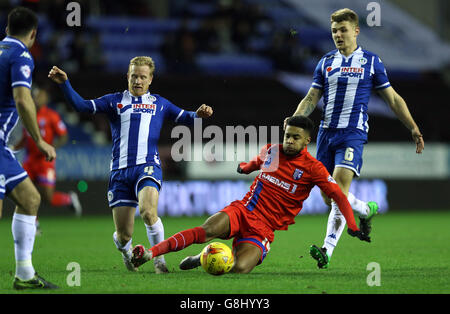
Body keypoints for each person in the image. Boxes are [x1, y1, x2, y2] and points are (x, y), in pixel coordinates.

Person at [131, 116, 370, 274]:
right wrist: (246, 167)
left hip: (263, 229)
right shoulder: (272, 151)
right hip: (244, 210)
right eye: (287, 135)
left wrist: (352, 224)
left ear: (307, 140)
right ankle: (150, 253)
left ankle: (204, 256)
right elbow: (258, 161)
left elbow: (338, 196)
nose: (289, 140)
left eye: (295, 137)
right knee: (206, 230)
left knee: (238, 269)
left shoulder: (313, 168)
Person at [48, 57, 213, 273]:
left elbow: (186, 117)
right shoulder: (113, 101)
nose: (138, 80)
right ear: (127, 76)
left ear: (150, 79)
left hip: (147, 166)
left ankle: (159, 261)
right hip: (120, 172)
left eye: (143, 77)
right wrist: (64, 83)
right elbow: (81, 106)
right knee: (124, 235)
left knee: (147, 212)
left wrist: (199, 114)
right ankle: (126, 253)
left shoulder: (159, 103)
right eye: (134, 76)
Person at [287, 8, 425, 269]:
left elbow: (393, 98)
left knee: (338, 189)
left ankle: (326, 250)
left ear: (356, 31)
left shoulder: (371, 62)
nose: (338, 35)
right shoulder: (325, 62)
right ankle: (365, 209)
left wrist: (413, 127)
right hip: (327, 134)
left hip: (353, 134)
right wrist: (295, 122)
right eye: (334, 31)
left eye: (343, 30)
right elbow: (311, 98)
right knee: (328, 197)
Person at [0, 7, 58, 289]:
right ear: (33, 34)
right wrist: (39, 139)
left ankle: (24, 274)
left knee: (30, 199)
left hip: (1, 147)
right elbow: (23, 100)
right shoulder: (21, 55)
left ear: (7, 28)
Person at [12, 86, 82, 234]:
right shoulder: (26, 114)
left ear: (46, 99)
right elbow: (26, 137)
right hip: (29, 161)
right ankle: (34, 224)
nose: (37, 99)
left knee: (48, 198)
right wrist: (13, 148)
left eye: (40, 96)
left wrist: (51, 147)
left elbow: (63, 135)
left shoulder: (52, 115)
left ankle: (68, 199)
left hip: (45, 162)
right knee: (25, 193)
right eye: (35, 96)